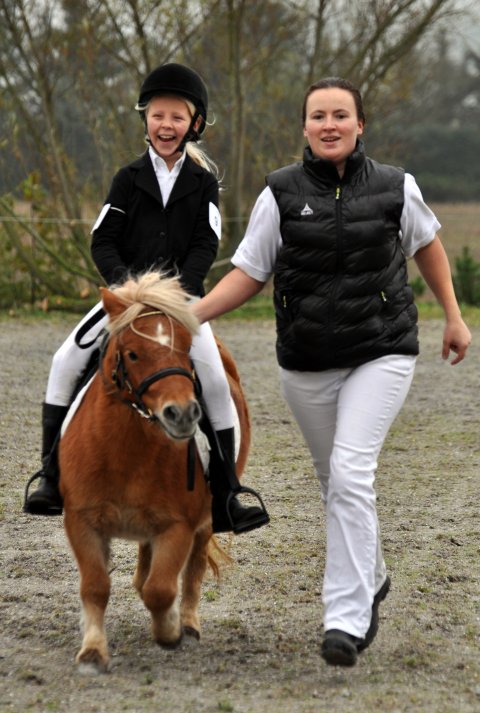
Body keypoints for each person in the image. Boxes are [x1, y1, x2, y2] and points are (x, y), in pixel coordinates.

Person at [191, 77, 471, 666]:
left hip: (382, 349)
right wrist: (192, 314)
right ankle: (373, 571)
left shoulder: (396, 186)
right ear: (305, 127)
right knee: (334, 481)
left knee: (350, 470)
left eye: (340, 114)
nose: (329, 125)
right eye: (318, 115)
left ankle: (345, 616)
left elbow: (426, 245)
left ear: (359, 124)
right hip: (307, 359)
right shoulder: (279, 191)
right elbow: (250, 271)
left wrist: (453, 315)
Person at [23, 62, 269, 536]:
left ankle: (228, 492)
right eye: (158, 115)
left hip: (182, 303)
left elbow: (206, 244)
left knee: (214, 380)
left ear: (194, 124)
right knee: (65, 359)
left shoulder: (202, 184)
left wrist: (181, 291)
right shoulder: (127, 178)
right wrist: (126, 290)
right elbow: (102, 240)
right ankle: (50, 477)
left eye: (177, 117)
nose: (166, 125)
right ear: (146, 120)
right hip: (127, 300)